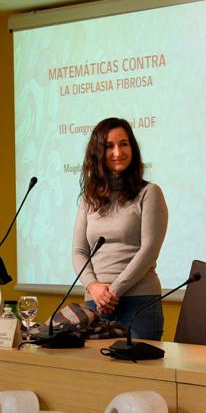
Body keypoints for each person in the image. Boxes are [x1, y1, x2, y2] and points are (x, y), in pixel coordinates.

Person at [71, 118, 168, 340]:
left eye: (124, 144)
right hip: (95, 303)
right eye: (109, 146)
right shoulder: (89, 198)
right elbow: (79, 251)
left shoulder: (149, 193)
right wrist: (94, 287)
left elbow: (149, 250)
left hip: (138, 303)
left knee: (138, 374)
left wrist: (113, 292)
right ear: (98, 153)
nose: (118, 152)